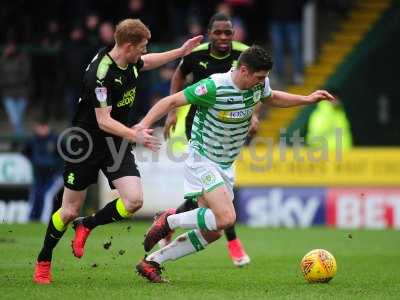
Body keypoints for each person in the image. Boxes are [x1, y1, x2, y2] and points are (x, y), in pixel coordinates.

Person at [135, 45, 335, 283]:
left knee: (214, 232)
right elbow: (170, 102)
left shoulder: (259, 84)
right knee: (227, 218)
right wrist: (144, 125)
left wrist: (307, 99)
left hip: (226, 163)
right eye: (260, 77)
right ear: (243, 71)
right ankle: (169, 220)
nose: (263, 82)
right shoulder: (213, 86)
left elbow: (272, 97)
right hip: (202, 158)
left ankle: (152, 262)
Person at [33, 18, 203, 284]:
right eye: (142, 46)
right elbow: (103, 121)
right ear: (127, 45)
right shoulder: (100, 75)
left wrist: (180, 52)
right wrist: (135, 134)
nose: (145, 51)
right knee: (67, 211)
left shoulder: (131, 60)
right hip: (87, 143)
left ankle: (87, 224)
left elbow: (148, 62)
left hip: (115, 143)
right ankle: (44, 259)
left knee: (133, 201)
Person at [162, 13, 253, 267]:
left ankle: (168, 218)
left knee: (204, 198)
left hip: (232, 127)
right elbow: (178, 78)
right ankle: (233, 243)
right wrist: (172, 113)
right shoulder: (196, 55)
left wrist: (253, 116)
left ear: (234, 34)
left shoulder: (245, 56)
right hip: (201, 127)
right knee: (219, 193)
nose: (223, 38)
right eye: (218, 33)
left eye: (228, 33)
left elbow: (257, 86)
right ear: (209, 32)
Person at [23, 118, 63, 223]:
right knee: (35, 194)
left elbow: (65, 156)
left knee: (47, 195)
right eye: (39, 127)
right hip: (39, 174)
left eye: (43, 127)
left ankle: (44, 221)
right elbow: (25, 154)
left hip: (54, 175)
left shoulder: (56, 139)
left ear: (48, 127)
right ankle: (31, 219)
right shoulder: (32, 140)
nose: (41, 130)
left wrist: (58, 170)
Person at [0, 38, 31, 136]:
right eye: (8, 46)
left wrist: (13, 81)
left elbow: (26, 74)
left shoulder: (22, 58)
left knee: (18, 119)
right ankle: (19, 140)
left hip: (22, 92)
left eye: (12, 46)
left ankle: (17, 141)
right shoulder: (2, 60)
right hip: (8, 93)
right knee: (15, 119)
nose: (10, 48)